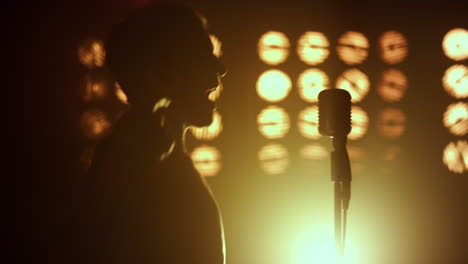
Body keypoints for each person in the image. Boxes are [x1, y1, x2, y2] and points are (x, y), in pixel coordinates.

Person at [71, 3, 227, 264]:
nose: (219, 69)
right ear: (158, 72)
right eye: (202, 55)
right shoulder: (129, 164)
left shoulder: (150, 161)